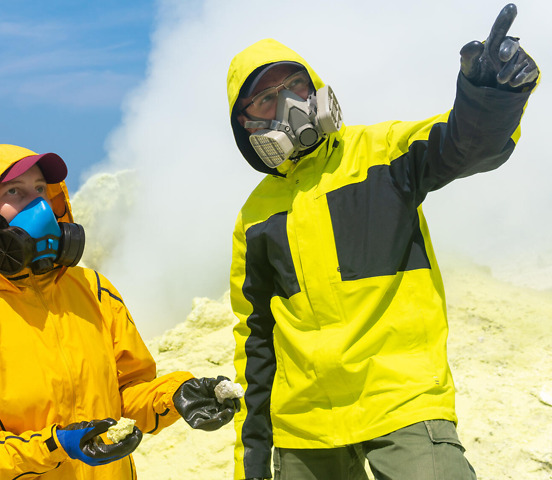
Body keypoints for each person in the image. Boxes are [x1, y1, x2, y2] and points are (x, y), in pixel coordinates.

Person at [225, 4, 538, 480]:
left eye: (295, 85)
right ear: (245, 124)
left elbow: (464, 143)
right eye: (266, 98)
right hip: (304, 430)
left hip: (402, 404)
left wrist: (491, 93)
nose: (287, 103)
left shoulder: (382, 153)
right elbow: (255, 343)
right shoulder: (255, 217)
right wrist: (251, 462)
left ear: (316, 88)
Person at [0, 143, 238, 479]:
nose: (38, 205)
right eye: (14, 192)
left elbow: (125, 397)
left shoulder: (94, 291)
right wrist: (55, 447)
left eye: (40, 189)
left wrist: (176, 395)